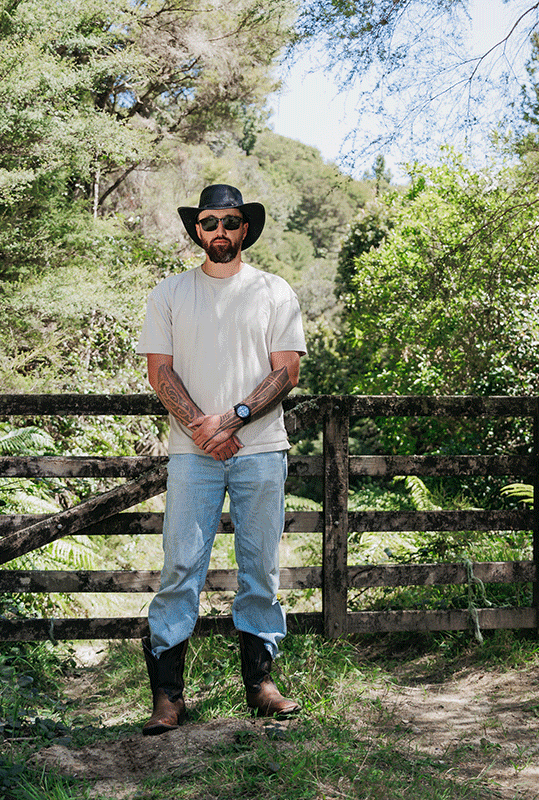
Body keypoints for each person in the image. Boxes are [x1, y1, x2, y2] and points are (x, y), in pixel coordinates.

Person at [135, 184, 307, 735]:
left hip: (261, 450)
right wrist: (203, 431)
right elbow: (159, 372)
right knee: (180, 569)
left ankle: (261, 685)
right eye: (209, 222)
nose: (220, 231)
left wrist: (231, 420)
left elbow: (287, 371)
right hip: (192, 456)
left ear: (245, 229)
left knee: (261, 568)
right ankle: (167, 699)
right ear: (197, 229)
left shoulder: (274, 291)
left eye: (230, 222)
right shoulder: (169, 293)